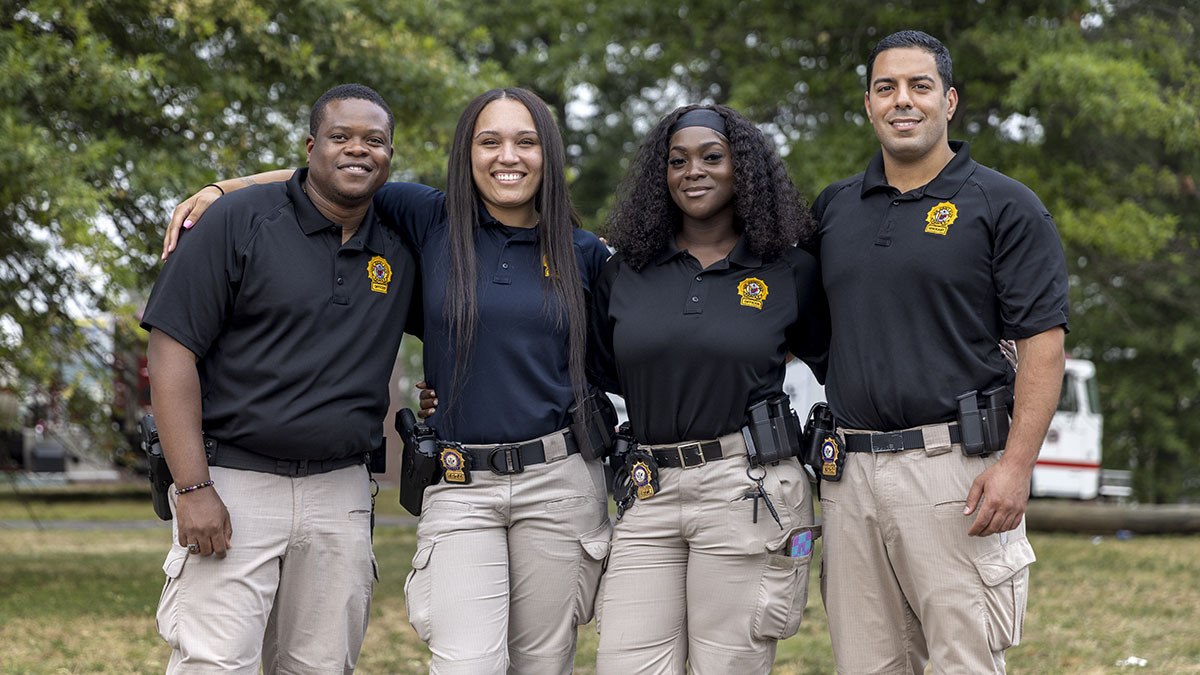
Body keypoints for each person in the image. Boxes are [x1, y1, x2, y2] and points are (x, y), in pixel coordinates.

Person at [161, 88, 613, 674]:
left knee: (540, 664)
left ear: (548, 154)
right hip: (444, 485)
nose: (508, 156)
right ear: (466, 154)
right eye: (489, 141)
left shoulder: (583, 254)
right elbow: (338, 171)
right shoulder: (430, 219)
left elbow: (616, 353)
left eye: (526, 142)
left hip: (547, 482)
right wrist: (225, 189)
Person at [812, 30, 1068, 674]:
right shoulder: (834, 210)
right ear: (868, 105)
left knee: (962, 661)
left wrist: (1016, 467)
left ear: (949, 101)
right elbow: (815, 332)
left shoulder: (1005, 205)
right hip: (849, 479)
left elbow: (1043, 348)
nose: (903, 101)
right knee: (866, 664)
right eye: (886, 88)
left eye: (919, 86)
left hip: (956, 472)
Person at [142, 84, 418, 673]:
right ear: (310, 146)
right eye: (340, 137)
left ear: (391, 156)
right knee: (214, 664)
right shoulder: (237, 221)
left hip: (340, 494)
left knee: (320, 665)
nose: (357, 150)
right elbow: (170, 354)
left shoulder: (400, 243)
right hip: (233, 483)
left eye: (375, 140)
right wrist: (192, 488)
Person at [589, 104, 829, 674]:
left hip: (745, 487)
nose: (693, 170)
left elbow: (841, 361)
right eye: (678, 161)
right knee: (625, 661)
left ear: (742, 168)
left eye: (711, 157)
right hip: (647, 489)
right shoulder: (624, 271)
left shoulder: (789, 270)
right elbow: (602, 368)